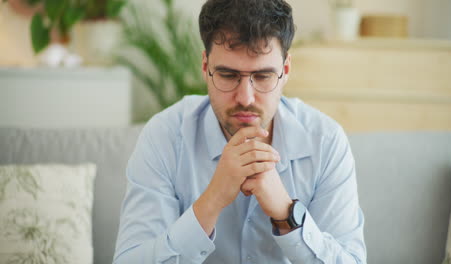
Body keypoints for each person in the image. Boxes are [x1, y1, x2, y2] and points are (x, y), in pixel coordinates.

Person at [113, 0, 366, 263]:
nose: (245, 97)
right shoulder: (164, 136)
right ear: (205, 67)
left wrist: (286, 214)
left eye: (263, 76)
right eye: (227, 75)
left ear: (286, 70)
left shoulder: (325, 141)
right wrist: (212, 199)